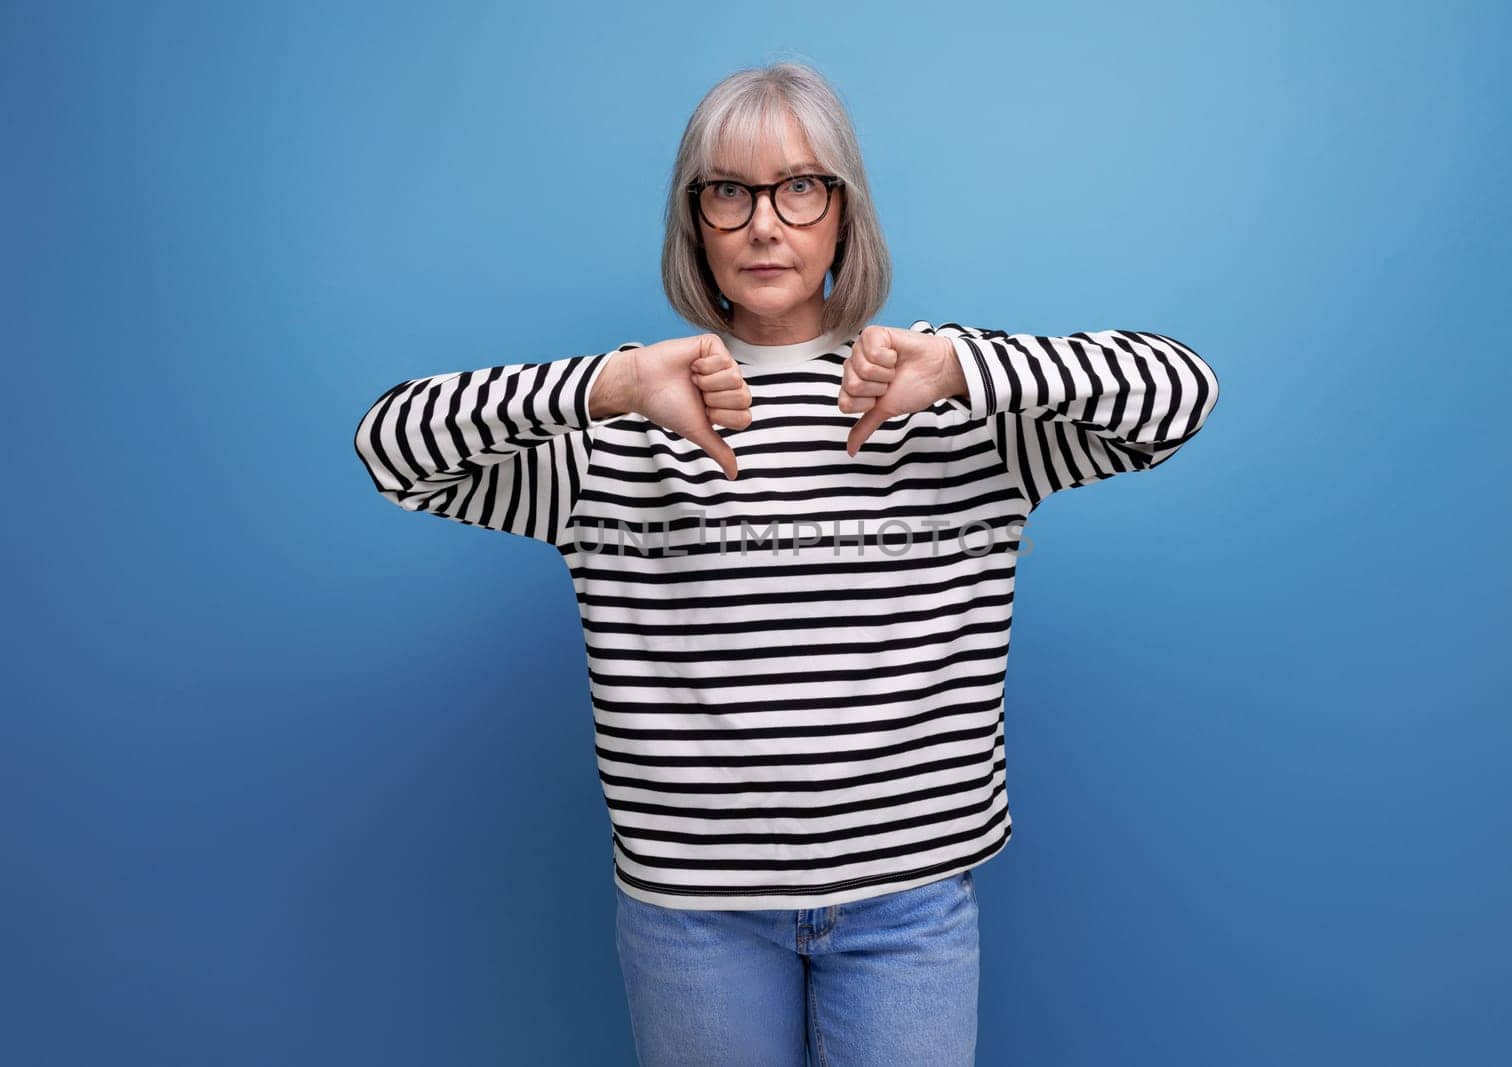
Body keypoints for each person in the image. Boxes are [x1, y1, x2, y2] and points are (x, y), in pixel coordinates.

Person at [353, 60, 1219, 1067]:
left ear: (845, 215)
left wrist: (963, 366)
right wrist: (615, 380)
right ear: (696, 221)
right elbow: (393, 447)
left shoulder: (954, 402)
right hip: (693, 914)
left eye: (801, 186)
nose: (766, 223)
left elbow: (1178, 394)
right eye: (729, 190)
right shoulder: (620, 422)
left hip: (909, 900)